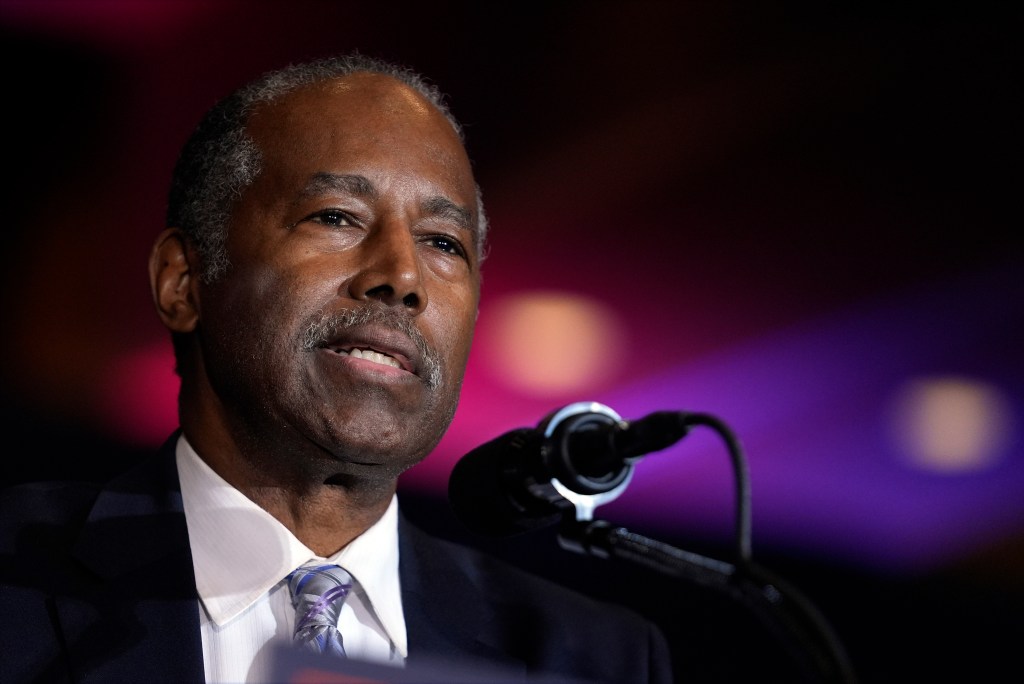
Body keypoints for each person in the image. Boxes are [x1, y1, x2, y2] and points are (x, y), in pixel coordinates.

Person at [0, 53, 673, 683]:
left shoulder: (588, 658)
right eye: (337, 217)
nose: (404, 277)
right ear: (185, 282)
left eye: (444, 242)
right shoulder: (16, 582)